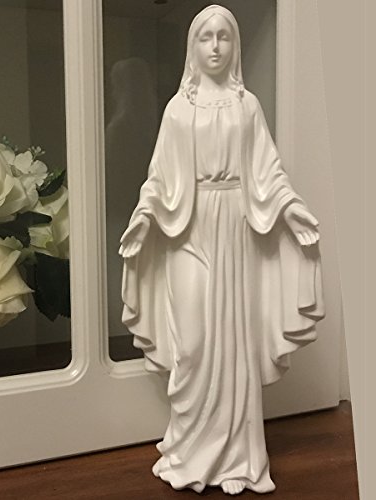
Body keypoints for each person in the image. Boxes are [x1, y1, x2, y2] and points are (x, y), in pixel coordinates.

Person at [120, 4, 325, 495]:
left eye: (224, 37)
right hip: (187, 228)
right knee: (191, 342)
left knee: (233, 340)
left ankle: (237, 459)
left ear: (234, 46)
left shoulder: (246, 106)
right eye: (205, 37)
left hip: (235, 227)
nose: (215, 46)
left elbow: (267, 170)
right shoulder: (177, 109)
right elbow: (159, 176)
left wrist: (290, 208)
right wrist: (144, 216)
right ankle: (189, 450)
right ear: (192, 46)